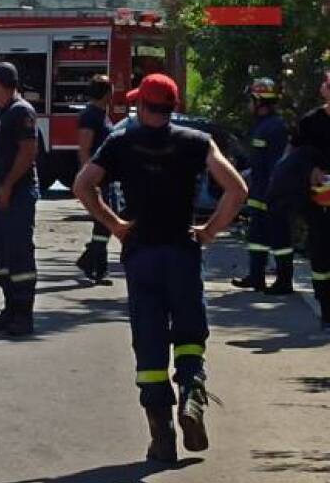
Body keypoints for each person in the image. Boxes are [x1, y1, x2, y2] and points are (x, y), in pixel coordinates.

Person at [74, 73, 247, 463]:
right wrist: (209, 231)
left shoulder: (121, 141)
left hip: (142, 255)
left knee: (149, 340)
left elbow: (83, 185)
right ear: (173, 107)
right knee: (189, 333)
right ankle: (192, 395)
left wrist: (115, 225)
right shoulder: (197, 142)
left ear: (140, 105)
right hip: (182, 252)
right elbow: (237, 190)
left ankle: (162, 436)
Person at [0, 62, 40, 337]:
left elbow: (27, 153)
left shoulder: (21, 111)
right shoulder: (4, 112)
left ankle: (23, 314)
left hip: (18, 195)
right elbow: (2, 155)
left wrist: (7, 186)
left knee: (18, 253)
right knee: (1, 253)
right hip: (2, 191)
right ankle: (10, 307)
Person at [232, 78, 294, 294]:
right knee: (256, 238)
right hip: (259, 194)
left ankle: (284, 281)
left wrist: (274, 194)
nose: (248, 105)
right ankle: (256, 277)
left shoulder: (275, 128)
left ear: (260, 102)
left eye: (251, 100)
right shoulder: (261, 126)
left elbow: (278, 165)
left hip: (273, 195)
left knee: (280, 238)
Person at [292, 69, 330, 330]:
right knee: (321, 251)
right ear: (324, 90)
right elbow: (295, 154)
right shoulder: (310, 122)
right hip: (320, 199)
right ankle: (326, 306)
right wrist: (310, 170)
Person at [75, 75, 115, 283]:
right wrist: (88, 180)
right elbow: (84, 149)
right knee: (104, 222)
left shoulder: (102, 114)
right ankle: (97, 267)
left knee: (106, 221)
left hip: (107, 177)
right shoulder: (90, 116)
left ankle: (90, 261)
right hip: (97, 178)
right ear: (106, 93)